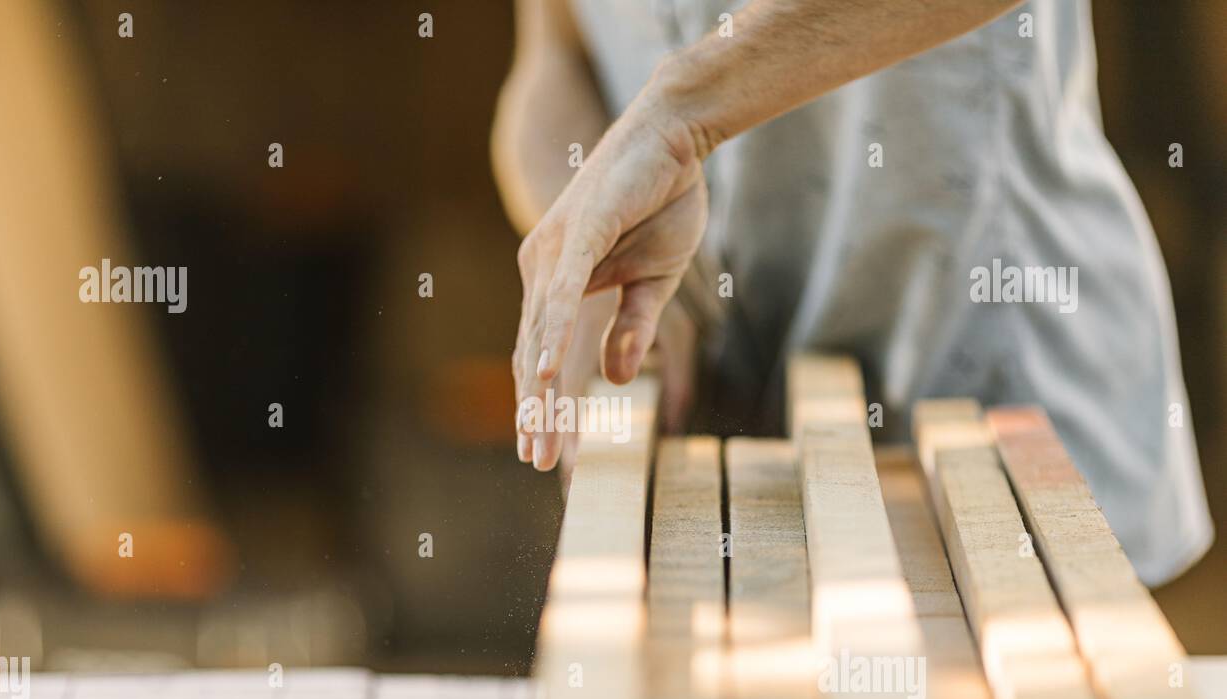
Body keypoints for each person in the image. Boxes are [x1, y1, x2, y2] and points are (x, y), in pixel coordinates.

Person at [491, 0, 1212, 586]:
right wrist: (599, 252)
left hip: (997, 407)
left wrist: (679, 114)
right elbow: (553, 59)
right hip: (724, 444)